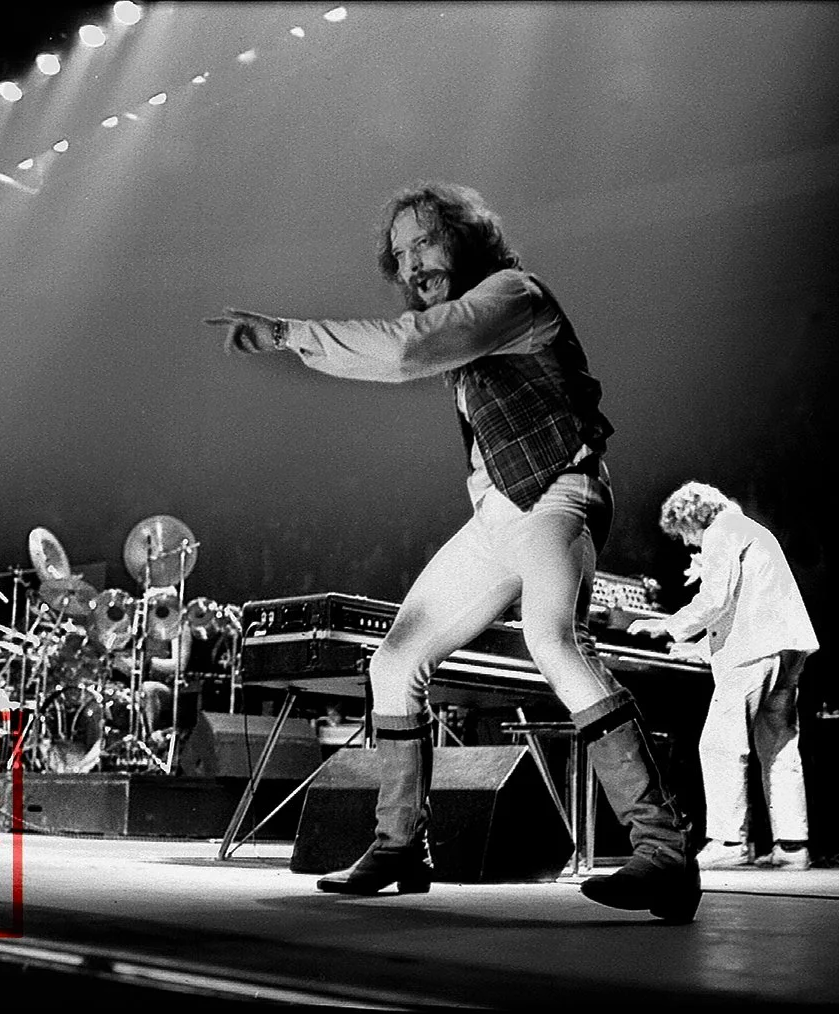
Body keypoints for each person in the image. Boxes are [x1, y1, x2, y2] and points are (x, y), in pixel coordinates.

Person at [208, 181, 700, 921]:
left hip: (557, 491)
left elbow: (406, 349)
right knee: (395, 660)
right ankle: (402, 845)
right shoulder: (465, 324)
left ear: (468, 239)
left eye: (425, 242)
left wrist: (286, 333)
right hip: (502, 511)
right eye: (400, 254)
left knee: (553, 640)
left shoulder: (512, 292)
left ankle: (663, 850)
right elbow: (401, 351)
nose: (411, 264)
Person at [629, 482, 818, 869]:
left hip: (755, 650)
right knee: (779, 747)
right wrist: (698, 649)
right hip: (784, 648)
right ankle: (793, 846)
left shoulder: (721, 530)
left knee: (720, 745)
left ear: (691, 517)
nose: (686, 544)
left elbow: (716, 599)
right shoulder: (749, 529)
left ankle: (729, 843)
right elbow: (745, 606)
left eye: (683, 533)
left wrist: (665, 626)